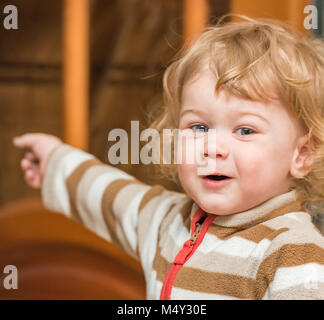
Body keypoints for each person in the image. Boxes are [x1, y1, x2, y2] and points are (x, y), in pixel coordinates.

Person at [13, 16, 324, 299]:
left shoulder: (293, 252)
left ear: (302, 155)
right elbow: (109, 197)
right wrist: (55, 160)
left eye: (245, 130)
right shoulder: (167, 221)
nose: (213, 147)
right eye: (199, 126)